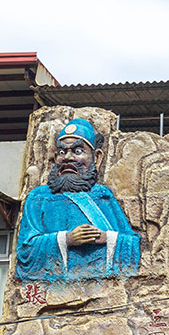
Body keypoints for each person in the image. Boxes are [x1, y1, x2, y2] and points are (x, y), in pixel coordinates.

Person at [15, 118, 140, 282]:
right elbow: (25, 251)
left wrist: (105, 238)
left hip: (100, 286)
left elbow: (132, 247)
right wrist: (66, 239)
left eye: (77, 151)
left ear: (97, 157)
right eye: (61, 152)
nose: (68, 158)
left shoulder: (103, 196)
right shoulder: (38, 198)